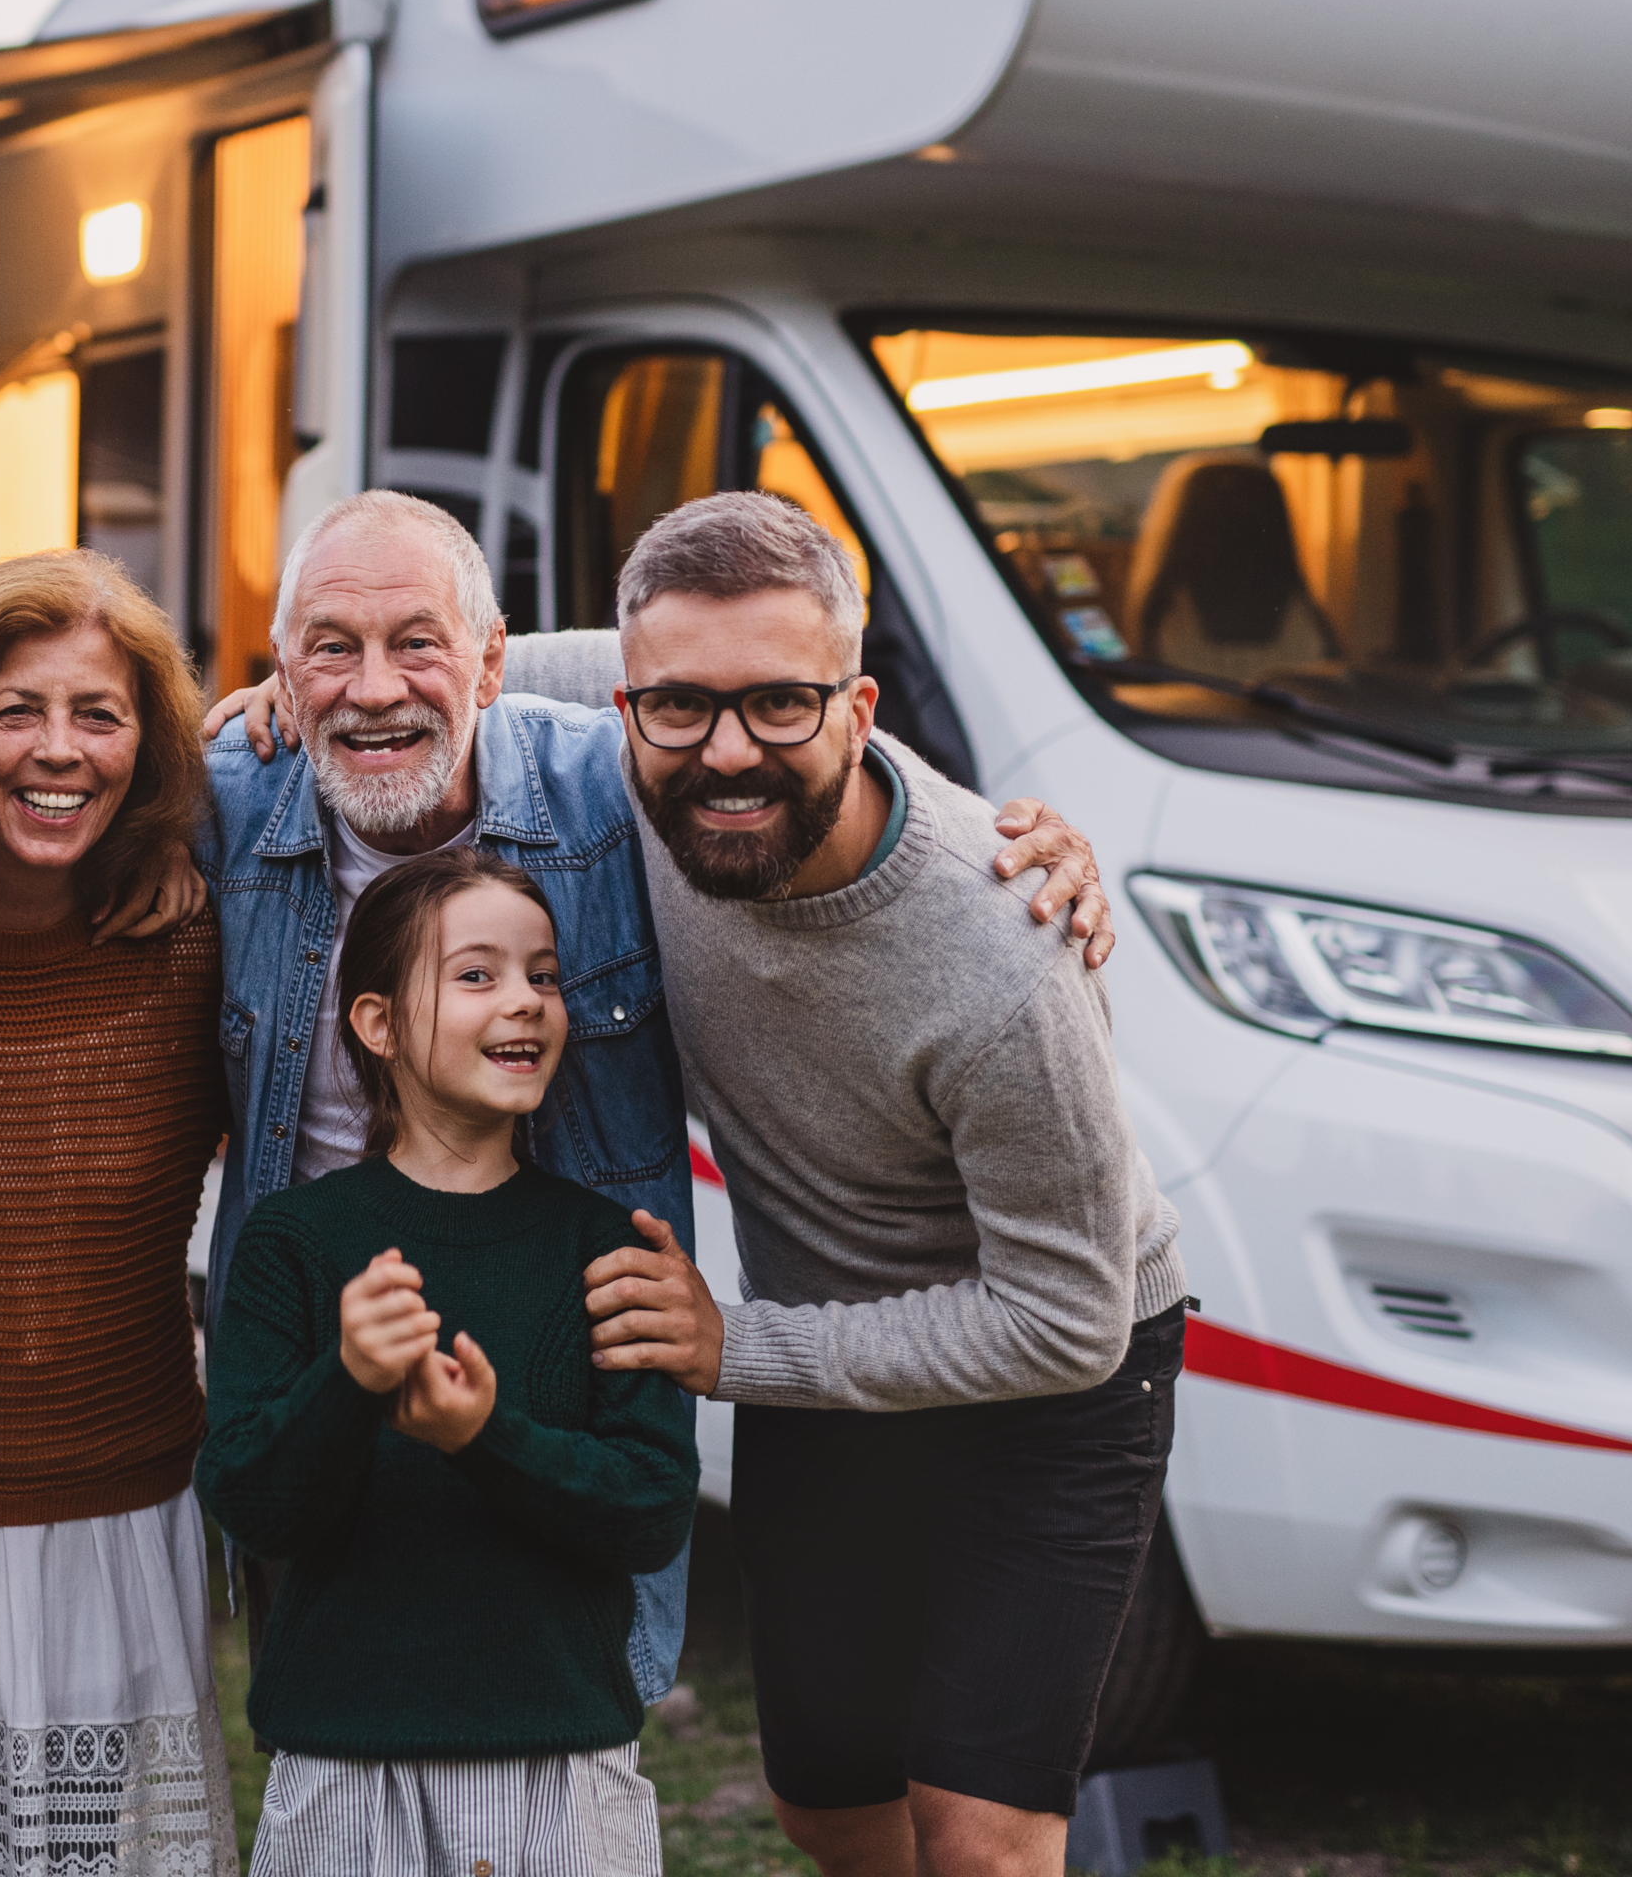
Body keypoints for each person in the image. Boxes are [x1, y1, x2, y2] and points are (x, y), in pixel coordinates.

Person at [197, 490, 1112, 1704]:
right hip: (324, 1358)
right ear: (282, 665)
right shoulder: (218, 803)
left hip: (567, 1371)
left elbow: (782, 713)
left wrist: (1000, 836)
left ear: (489, 661)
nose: (374, 687)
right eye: (329, 648)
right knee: (333, 1729)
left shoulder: (615, 791)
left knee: (566, 1743)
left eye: (417, 643)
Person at [511, 492, 1187, 1877]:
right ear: (631, 698)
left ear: (857, 703)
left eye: (779, 707)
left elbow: (1069, 1320)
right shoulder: (649, 712)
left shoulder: (1000, 960)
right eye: (680, 709)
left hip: (1057, 1377)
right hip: (838, 1341)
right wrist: (276, 698)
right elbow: (441, 662)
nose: (726, 752)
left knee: (984, 1844)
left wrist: (735, 1347)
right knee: (830, 1805)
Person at [0, 548, 243, 1876]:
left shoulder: (194, 933)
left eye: (100, 714)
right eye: (17, 710)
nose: (56, 751)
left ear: (149, 743)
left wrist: (281, 698)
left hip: (123, 1515)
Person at [200, 848, 698, 1877]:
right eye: (478, 975)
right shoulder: (294, 1242)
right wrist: (349, 1379)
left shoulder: (609, 1247)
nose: (525, 1003)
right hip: (347, 1765)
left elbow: (652, 1511)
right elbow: (253, 1507)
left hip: (563, 1769)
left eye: (544, 975)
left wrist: (486, 1438)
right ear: (377, 1024)